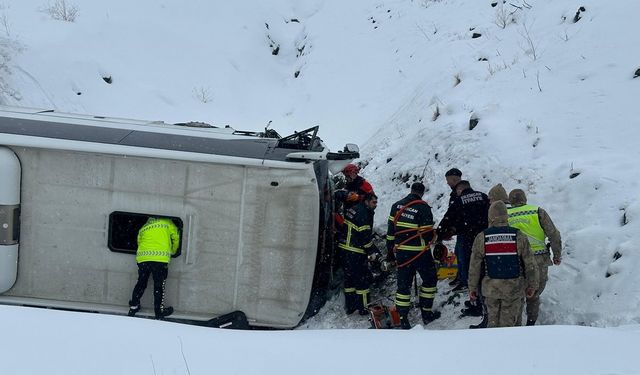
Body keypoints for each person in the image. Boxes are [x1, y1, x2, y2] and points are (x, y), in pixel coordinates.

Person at [468, 201, 539, 328]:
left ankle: (494, 345)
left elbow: (474, 267)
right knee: (510, 324)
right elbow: (530, 263)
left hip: (491, 289)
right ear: (506, 216)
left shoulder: (482, 237)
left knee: (493, 323)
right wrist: (532, 285)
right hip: (513, 288)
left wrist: (472, 288)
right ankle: (510, 345)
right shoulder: (518, 235)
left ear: (490, 217)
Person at [387, 182, 440, 329]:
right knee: (430, 280)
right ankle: (426, 313)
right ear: (422, 193)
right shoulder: (423, 208)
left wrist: (390, 253)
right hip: (420, 254)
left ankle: (403, 319)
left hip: (402, 254)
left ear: (411, 190)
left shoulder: (396, 206)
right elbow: (428, 234)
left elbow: (391, 233)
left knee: (403, 287)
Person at [507, 189, 562, 326]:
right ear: (525, 199)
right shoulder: (538, 212)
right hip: (538, 260)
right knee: (534, 294)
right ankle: (531, 324)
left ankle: (516, 325)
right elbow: (554, 235)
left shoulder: (505, 215)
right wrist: (557, 255)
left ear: (510, 201)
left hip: (516, 260)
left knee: (517, 295)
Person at [128, 216, 180, 319]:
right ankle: (158, 312)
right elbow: (176, 237)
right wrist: (173, 251)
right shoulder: (167, 222)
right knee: (159, 286)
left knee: (141, 283)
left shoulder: (144, 227)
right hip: (160, 259)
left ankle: (134, 306)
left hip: (143, 259)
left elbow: (139, 242)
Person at [338, 193, 379, 315]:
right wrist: (372, 252)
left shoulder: (354, 209)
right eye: (373, 202)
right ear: (366, 201)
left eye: (376, 203)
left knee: (349, 280)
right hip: (354, 251)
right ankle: (364, 308)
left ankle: (351, 307)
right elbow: (364, 237)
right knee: (362, 281)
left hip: (344, 249)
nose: (375, 205)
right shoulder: (363, 213)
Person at [443, 168, 463, 286]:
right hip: (460, 230)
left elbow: (455, 214)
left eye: (448, 180)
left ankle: (464, 279)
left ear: (453, 179)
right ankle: (460, 276)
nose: (447, 183)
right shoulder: (455, 193)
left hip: (464, 230)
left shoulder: (460, 193)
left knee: (462, 255)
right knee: (458, 253)